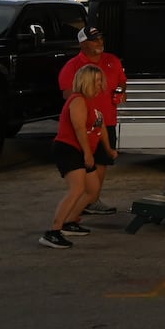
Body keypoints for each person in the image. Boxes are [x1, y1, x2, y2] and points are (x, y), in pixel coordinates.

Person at [40, 65, 117, 248]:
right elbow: (79, 129)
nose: (101, 84)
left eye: (101, 80)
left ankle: (69, 221)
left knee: (92, 190)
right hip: (68, 148)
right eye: (97, 81)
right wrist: (88, 153)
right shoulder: (78, 100)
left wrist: (109, 149)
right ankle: (53, 231)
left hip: (82, 149)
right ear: (87, 81)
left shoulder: (95, 102)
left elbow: (101, 128)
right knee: (77, 189)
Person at [59, 26, 126, 215]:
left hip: (107, 121)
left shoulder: (112, 60)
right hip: (86, 123)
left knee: (102, 161)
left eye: (100, 38)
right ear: (82, 44)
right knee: (85, 163)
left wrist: (120, 92)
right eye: (94, 40)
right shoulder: (72, 66)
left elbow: (122, 80)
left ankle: (93, 200)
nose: (99, 43)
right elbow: (67, 93)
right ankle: (76, 206)